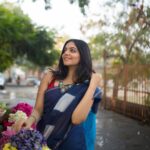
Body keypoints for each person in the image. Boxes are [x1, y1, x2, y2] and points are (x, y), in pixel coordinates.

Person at [13, 39, 102, 150]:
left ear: (83, 56)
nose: (66, 53)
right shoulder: (50, 77)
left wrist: (93, 85)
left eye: (72, 50)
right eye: (65, 50)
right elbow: (38, 110)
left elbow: (77, 119)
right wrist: (29, 121)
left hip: (73, 143)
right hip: (43, 139)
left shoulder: (88, 86)